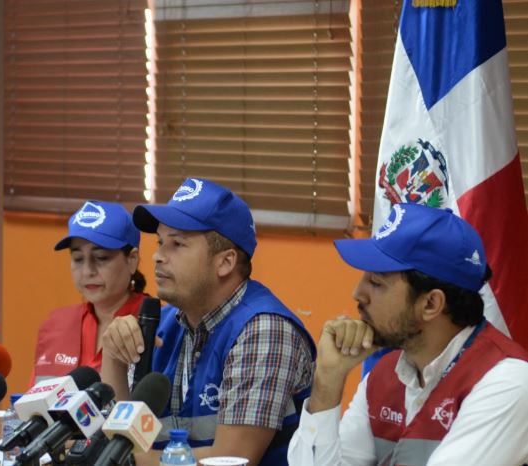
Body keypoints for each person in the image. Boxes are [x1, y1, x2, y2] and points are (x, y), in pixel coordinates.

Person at [287, 203, 528, 466]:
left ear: (430, 304)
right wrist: (328, 380)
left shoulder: (508, 382)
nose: (357, 294)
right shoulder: (384, 376)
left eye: (377, 282)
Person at [101, 178, 316, 466]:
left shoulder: (264, 329)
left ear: (225, 263)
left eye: (177, 244)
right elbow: (120, 438)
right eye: (160, 242)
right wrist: (114, 358)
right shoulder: (162, 325)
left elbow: (233, 460)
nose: (157, 256)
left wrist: (117, 461)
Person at [31, 200, 146, 384]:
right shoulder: (55, 324)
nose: (87, 271)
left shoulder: (156, 324)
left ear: (132, 260)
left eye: (101, 258)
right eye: (77, 259)